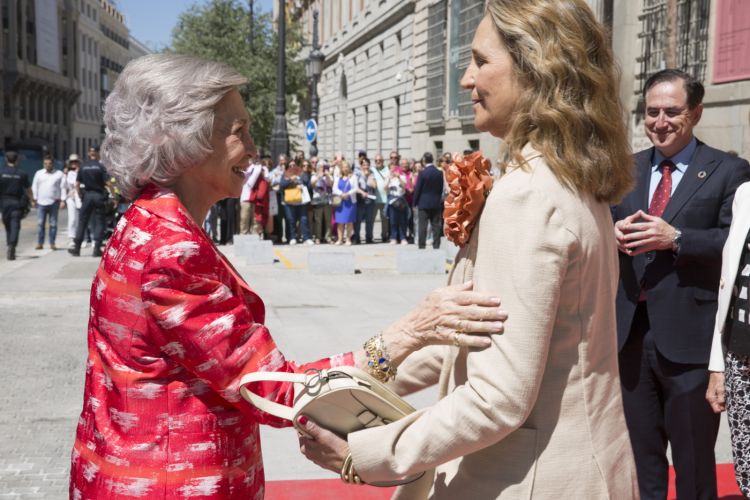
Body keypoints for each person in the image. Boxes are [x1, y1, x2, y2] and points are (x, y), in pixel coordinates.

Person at [68, 53, 506, 498]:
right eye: (239, 132)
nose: (255, 149)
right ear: (185, 141)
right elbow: (273, 390)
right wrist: (408, 333)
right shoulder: (172, 249)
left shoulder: (147, 221)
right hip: (171, 483)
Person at [298, 1, 639, 498]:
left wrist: (367, 452)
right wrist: (361, 382)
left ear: (535, 67)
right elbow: (484, 334)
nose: (465, 78)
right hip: (585, 466)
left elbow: (496, 398)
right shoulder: (572, 182)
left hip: (532, 479)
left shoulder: (526, 195)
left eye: (480, 61)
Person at [613, 69, 750, 500]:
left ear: (696, 113)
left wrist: (677, 239)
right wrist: (609, 232)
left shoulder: (729, 170)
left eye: (672, 112)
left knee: (693, 461)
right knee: (642, 458)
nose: (660, 122)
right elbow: (598, 222)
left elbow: (738, 243)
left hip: (691, 344)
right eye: (651, 112)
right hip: (631, 339)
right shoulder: (625, 170)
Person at [707, 175, 750, 497]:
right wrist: (718, 364)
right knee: (747, 469)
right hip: (740, 357)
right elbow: (729, 287)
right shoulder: (746, 195)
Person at [68, 146, 108, 257]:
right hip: (99, 195)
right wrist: (114, 197)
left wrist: (80, 195)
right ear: (98, 154)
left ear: (89, 154)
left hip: (87, 196)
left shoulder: (83, 166)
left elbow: (77, 184)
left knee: (82, 221)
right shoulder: (101, 166)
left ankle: (76, 248)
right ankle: (96, 248)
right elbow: (108, 183)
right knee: (99, 222)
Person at [0, 151, 32, 260]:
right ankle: (12, 246)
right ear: (17, 160)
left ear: (6, 159)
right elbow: (28, 189)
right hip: (17, 203)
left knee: (7, 225)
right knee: (15, 226)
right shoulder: (22, 174)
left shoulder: (1, 172)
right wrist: (32, 200)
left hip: (4, 203)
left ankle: (10, 244)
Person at [31, 154, 65, 250]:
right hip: (41, 202)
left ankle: (52, 243)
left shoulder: (59, 174)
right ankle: (40, 243)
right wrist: (34, 199)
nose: (47, 165)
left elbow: (63, 188)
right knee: (40, 223)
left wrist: (63, 200)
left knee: (53, 224)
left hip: (54, 202)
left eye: (49, 163)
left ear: (53, 164)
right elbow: (34, 186)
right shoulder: (39, 173)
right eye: (45, 163)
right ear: (43, 164)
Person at [413, 152, 444, 250]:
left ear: (424, 161)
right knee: (436, 225)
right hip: (435, 202)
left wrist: (414, 203)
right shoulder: (439, 173)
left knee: (422, 226)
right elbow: (440, 188)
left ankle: (422, 245)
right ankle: (436, 245)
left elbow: (418, 189)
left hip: (423, 203)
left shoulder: (422, 173)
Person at [280, 159, 313, 245]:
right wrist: (291, 180)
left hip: (301, 200)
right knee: (291, 219)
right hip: (289, 201)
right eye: (290, 165)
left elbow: (308, 184)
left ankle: (306, 237)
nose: (292, 167)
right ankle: (292, 237)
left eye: (294, 165)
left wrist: (300, 183)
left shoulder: (301, 173)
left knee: (304, 219)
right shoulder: (285, 174)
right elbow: (282, 185)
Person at [333, 161, 359, 245]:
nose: (345, 168)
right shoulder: (338, 177)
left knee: (349, 222)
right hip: (340, 202)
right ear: (341, 168)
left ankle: (348, 239)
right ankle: (340, 239)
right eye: (343, 167)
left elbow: (355, 188)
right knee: (340, 222)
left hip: (350, 202)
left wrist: (347, 193)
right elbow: (334, 189)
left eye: (346, 167)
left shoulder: (353, 177)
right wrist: (341, 194)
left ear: (349, 168)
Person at [310, 160, 333, 244]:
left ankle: (328, 237)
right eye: (320, 167)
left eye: (324, 167)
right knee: (318, 220)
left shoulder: (328, 176)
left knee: (328, 220)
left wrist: (328, 175)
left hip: (327, 200)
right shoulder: (314, 176)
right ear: (317, 168)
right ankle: (318, 237)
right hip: (318, 200)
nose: (322, 169)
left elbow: (331, 184)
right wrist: (319, 177)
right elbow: (312, 184)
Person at [62, 154, 82, 248]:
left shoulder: (82, 171)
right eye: (72, 162)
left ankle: (82, 238)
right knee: (72, 219)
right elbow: (63, 186)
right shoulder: (67, 173)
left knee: (81, 219)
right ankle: (72, 238)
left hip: (80, 197)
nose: (74, 163)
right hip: (71, 198)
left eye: (75, 162)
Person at [387, 161, 409, 245]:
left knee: (402, 220)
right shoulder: (390, 178)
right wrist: (389, 178)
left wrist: (399, 177)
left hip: (401, 201)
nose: (394, 171)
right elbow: (385, 188)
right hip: (392, 201)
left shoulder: (402, 176)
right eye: (392, 169)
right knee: (393, 221)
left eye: (395, 169)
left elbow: (404, 186)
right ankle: (393, 237)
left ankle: (403, 237)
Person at [372, 153, 390, 241]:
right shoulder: (372, 170)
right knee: (372, 219)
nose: (378, 162)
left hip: (385, 198)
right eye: (376, 161)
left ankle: (384, 236)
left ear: (383, 161)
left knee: (385, 219)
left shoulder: (388, 169)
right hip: (375, 199)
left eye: (380, 160)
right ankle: (370, 236)